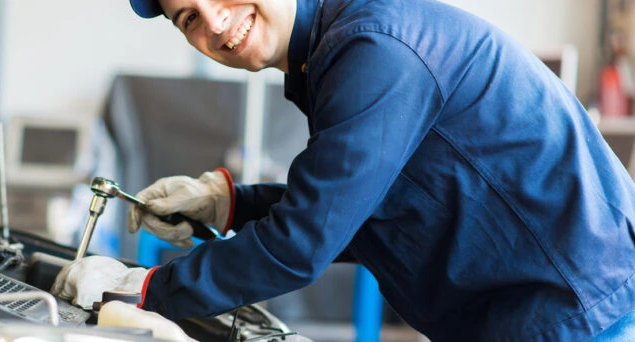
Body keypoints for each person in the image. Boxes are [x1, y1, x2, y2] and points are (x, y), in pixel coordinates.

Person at [51, 0, 635, 340]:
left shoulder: (370, 50)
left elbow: (302, 243)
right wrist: (228, 203)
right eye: (187, 18)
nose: (215, 22)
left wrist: (148, 290)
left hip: (581, 316)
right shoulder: (329, 52)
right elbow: (366, 207)